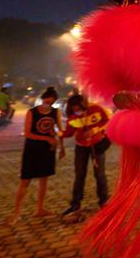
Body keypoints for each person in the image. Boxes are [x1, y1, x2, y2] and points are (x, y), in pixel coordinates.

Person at [7, 87, 64, 225]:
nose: (47, 104)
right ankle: (16, 212)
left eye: (50, 102)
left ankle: (39, 209)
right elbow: (27, 133)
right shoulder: (32, 112)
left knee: (44, 180)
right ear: (42, 99)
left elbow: (60, 130)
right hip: (32, 149)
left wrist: (61, 147)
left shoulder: (55, 112)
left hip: (48, 151)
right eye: (45, 101)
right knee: (25, 181)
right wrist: (46, 139)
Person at [60, 94, 111, 217]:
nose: (76, 110)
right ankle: (75, 204)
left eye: (78, 107)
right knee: (79, 176)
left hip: (97, 146)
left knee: (99, 174)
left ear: (83, 104)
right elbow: (68, 132)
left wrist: (95, 130)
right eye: (73, 108)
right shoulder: (72, 118)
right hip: (81, 148)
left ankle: (104, 201)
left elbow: (107, 121)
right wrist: (58, 133)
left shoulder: (96, 109)